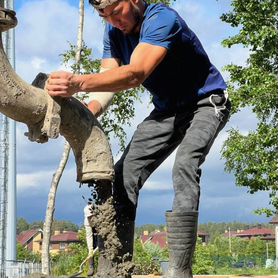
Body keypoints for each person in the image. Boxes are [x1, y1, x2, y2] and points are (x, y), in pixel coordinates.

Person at [46, 0, 231, 277]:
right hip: (167, 111)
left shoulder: (162, 19)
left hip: (206, 103)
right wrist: (87, 111)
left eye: (116, 12)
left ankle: (180, 271)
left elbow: (135, 74)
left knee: (185, 166)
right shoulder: (114, 33)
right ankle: (115, 269)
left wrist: (76, 82)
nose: (113, 21)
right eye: (104, 16)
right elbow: (108, 79)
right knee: (122, 176)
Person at [83, 204, 97, 277]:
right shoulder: (87, 222)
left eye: (91, 217)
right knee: (91, 249)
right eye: (89, 217)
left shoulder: (99, 215)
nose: (90, 218)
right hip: (91, 230)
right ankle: (91, 267)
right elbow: (89, 237)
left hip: (99, 227)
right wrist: (90, 250)